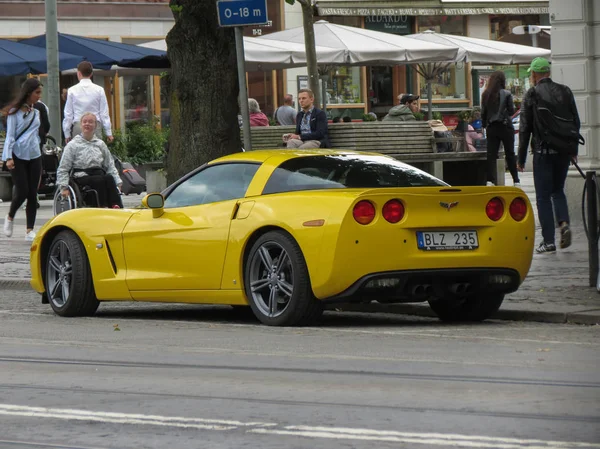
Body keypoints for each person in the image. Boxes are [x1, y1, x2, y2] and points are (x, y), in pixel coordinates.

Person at [517, 57, 580, 253]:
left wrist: (520, 159)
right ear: (549, 73)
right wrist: (573, 151)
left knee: (543, 197)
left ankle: (549, 241)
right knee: (558, 190)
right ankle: (563, 223)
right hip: (563, 151)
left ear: (535, 75)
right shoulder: (565, 91)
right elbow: (575, 122)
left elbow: (525, 128)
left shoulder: (532, 94)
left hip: (543, 152)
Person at [1, 78, 44, 241]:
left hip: (35, 155)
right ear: (28, 93)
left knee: (33, 193)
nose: (39, 96)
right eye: (37, 93)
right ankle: (10, 216)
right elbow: (10, 136)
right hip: (18, 156)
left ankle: (29, 230)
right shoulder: (14, 113)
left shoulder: (37, 112)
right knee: (22, 191)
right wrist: (8, 157)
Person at [57, 112, 122, 209]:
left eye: (91, 122)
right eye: (85, 122)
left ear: (95, 126)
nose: (87, 124)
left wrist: (118, 183)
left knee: (109, 178)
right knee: (99, 180)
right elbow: (63, 168)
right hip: (81, 176)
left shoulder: (100, 144)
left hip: (98, 173)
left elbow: (110, 165)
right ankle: (102, 206)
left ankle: (116, 206)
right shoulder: (73, 145)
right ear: (81, 125)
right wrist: (64, 187)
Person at [481, 71, 520, 187]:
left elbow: (483, 113)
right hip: (505, 126)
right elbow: (511, 111)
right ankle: (516, 180)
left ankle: (490, 180)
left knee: (491, 154)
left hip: (492, 127)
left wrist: (485, 124)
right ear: (503, 81)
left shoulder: (486, 94)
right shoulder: (507, 94)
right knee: (510, 154)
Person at [63, 61, 114, 144]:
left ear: (78, 73)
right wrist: (108, 132)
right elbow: (104, 113)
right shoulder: (99, 90)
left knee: (79, 154)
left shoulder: (72, 90)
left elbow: (68, 114)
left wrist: (67, 133)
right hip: (94, 125)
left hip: (79, 125)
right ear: (91, 74)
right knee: (96, 153)